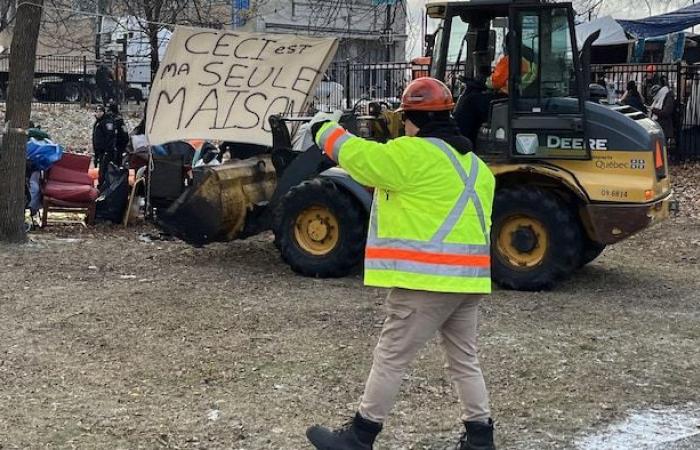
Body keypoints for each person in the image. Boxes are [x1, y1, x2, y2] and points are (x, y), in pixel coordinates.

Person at [305, 77, 497, 450]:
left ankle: (361, 436)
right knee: (464, 360)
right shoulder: (476, 167)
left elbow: (359, 158)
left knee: (391, 357)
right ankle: (480, 437)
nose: (403, 127)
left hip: (428, 282)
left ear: (415, 120)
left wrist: (322, 128)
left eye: (405, 119)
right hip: (469, 281)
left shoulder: (412, 155)